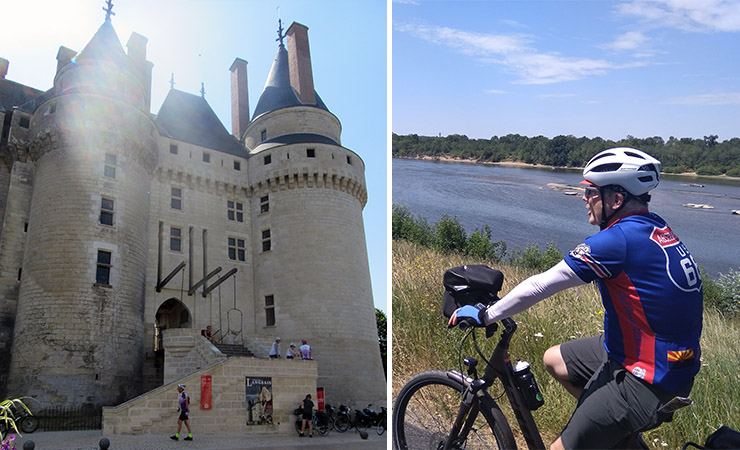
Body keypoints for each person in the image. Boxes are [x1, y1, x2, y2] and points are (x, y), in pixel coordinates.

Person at [450, 148, 703, 450]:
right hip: (660, 359)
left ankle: (608, 425)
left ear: (616, 199)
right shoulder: (655, 226)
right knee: (554, 359)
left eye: (590, 192)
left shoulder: (615, 241)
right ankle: (610, 432)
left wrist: (485, 315)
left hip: (646, 378)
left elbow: (542, 285)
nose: (584, 198)